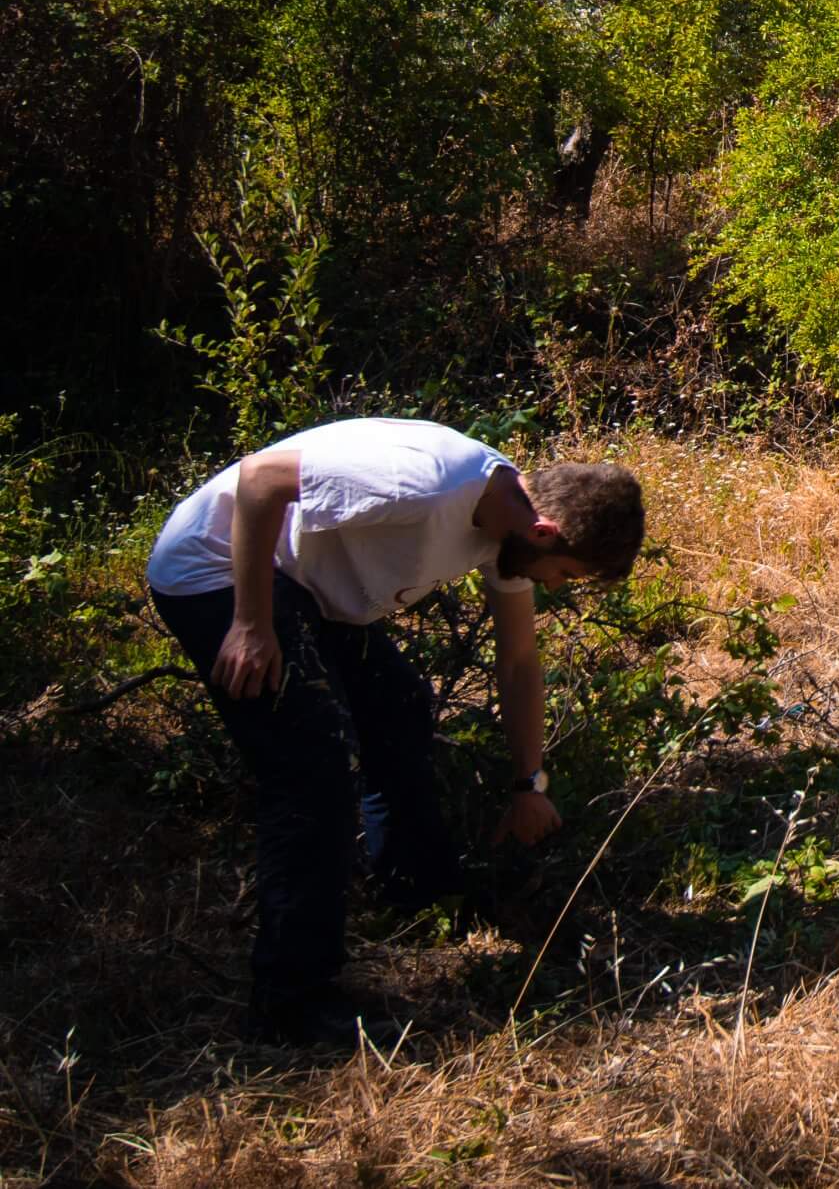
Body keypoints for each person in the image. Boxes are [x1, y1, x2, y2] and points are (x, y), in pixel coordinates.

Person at [145, 417, 644, 1043]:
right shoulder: (431, 485)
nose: (554, 585)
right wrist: (251, 623)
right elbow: (260, 478)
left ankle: (419, 893)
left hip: (303, 586)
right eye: (565, 573)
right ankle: (290, 1001)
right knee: (313, 772)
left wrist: (529, 782)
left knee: (400, 708)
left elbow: (518, 660)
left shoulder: (509, 522)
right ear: (545, 532)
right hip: (217, 567)